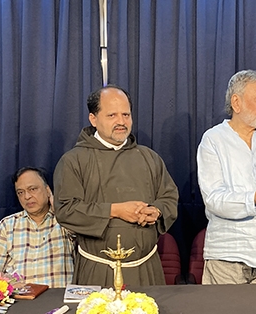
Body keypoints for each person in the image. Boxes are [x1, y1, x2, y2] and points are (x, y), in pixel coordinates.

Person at [53, 85, 178, 287]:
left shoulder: (149, 157)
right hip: (99, 270)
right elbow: (66, 210)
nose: (121, 122)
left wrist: (156, 211)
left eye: (126, 115)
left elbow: (169, 198)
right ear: (93, 119)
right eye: (112, 115)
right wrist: (116, 210)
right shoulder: (73, 161)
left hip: (146, 268)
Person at [197, 70, 256, 284]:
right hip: (227, 259)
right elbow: (214, 199)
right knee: (224, 309)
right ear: (236, 102)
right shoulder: (213, 140)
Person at [0, 167, 75, 287]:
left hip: (58, 296)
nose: (27, 196)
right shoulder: (7, 225)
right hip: (20, 296)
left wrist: (60, 211)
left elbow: (80, 238)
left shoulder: (63, 221)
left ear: (48, 190)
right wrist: (6, 281)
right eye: (20, 192)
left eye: (32, 189)